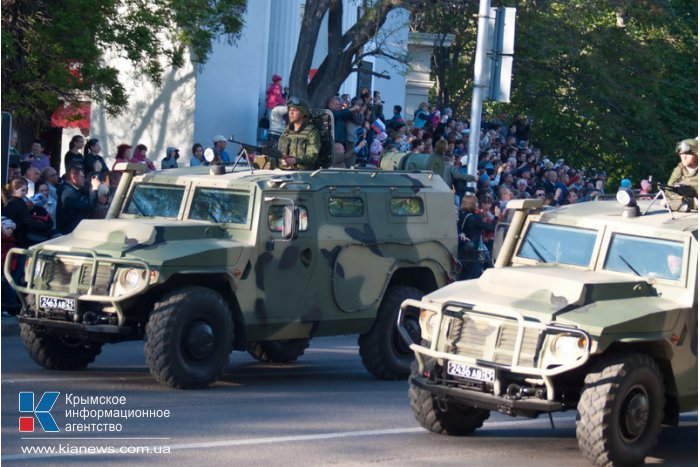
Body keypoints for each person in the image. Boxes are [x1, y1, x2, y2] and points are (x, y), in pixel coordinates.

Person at [1, 178, 52, 247]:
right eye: (22, 190)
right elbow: (27, 220)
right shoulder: (17, 202)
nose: (25, 193)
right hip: (19, 237)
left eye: (26, 190)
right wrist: (44, 226)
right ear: (14, 190)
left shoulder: (11, 202)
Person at [458, 195, 496, 280]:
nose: (478, 204)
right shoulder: (474, 218)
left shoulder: (463, 215)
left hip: (468, 248)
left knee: (485, 262)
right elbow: (490, 228)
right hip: (476, 250)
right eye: (476, 202)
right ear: (473, 204)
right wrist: (496, 216)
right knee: (477, 271)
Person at [276, 97, 321, 170]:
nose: (291, 113)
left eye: (294, 110)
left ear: (303, 112)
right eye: (290, 110)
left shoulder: (312, 131)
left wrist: (295, 160)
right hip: (284, 171)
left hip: (304, 173)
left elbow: (312, 155)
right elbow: (280, 151)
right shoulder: (287, 131)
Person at [56, 166, 100, 234]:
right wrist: (95, 188)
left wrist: (96, 173)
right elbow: (89, 205)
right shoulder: (69, 193)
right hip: (69, 232)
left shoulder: (73, 189)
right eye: (82, 177)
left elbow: (86, 189)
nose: (84, 179)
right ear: (73, 178)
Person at [666, 138, 698, 210]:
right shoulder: (679, 170)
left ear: (696, 154)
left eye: (687, 154)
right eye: (681, 153)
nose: (684, 157)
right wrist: (688, 201)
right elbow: (668, 191)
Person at [1, 216, 20, 315]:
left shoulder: (11, 241)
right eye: (7, 228)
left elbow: (13, 256)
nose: (10, 231)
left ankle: (9, 307)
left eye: (11, 229)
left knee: (9, 285)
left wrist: (10, 267)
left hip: (7, 267)